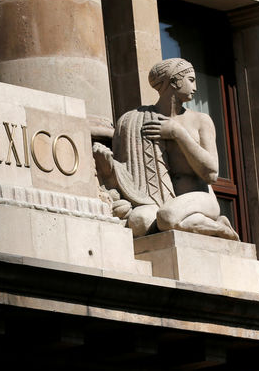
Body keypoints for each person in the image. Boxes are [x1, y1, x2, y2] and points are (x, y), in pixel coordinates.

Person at [93, 58, 239, 240]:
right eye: (191, 80)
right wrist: (110, 168)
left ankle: (220, 228)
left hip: (200, 199)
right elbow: (132, 172)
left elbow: (211, 173)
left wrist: (178, 133)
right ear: (175, 81)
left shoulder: (201, 120)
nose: (195, 87)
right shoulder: (138, 120)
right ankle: (198, 225)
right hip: (161, 201)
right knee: (139, 220)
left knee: (167, 217)